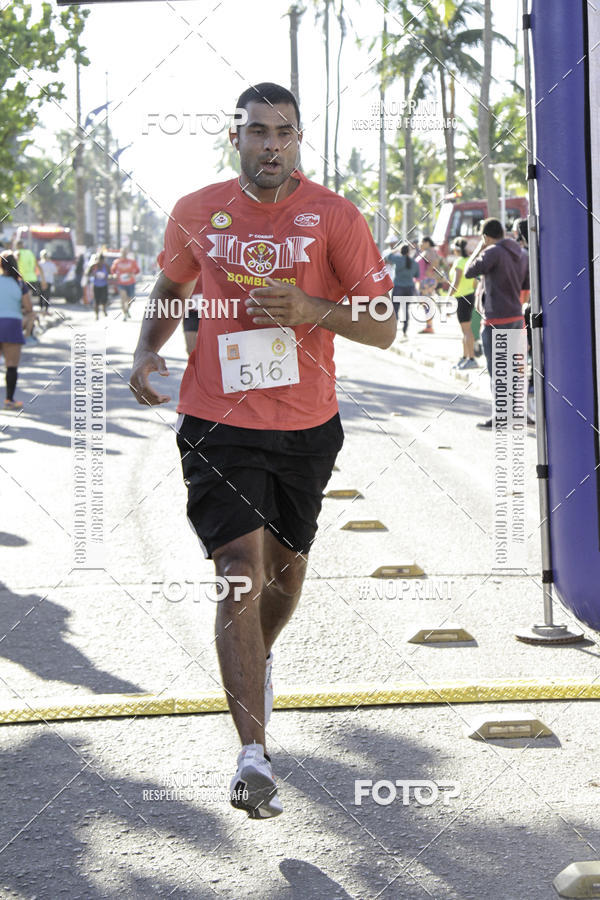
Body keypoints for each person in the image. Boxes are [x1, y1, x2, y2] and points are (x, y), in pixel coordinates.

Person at [129, 81, 395, 820]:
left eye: (284, 132)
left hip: (307, 424)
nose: (270, 143)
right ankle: (253, 751)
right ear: (235, 138)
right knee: (238, 571)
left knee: (283, 573)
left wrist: (315, 310)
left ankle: (257, 658)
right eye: (256, 131)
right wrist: (145, 351)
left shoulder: (335, 216)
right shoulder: (196, 210)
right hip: (217, 418)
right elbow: (172, 284)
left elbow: (383, 324)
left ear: (298, 141)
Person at [465, 218, 529, 429]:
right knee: (513, 369)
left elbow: (469, 271)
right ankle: (517, 413)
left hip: (495, 319)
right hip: (515, 318)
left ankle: (501, 417)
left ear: (486, 236)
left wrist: (479, 249)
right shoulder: (521, 253)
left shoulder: (492, 252)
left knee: (497, 371)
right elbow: (526, 285)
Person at [0, 252, 33, 410]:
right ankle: (9, 400)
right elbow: (29, 308)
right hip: (12, 325)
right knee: (11, 365)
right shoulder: (20, 284)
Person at [447, 237, 478, 369]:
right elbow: (475, 280)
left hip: (462, 297)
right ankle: (465, 357)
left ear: (456, 249)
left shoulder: (459, 261)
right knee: (465, 330)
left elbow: (456, 281)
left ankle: (471, 358)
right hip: (470, 295)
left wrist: (448, 297)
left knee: (466, 331)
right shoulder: (470, 260)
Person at [384, 237, 419, 337]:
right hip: (409, 288)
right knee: (406, 309)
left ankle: (393, 330)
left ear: (401, 251)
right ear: (409, 252)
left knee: (395, 309)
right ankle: (405, 330)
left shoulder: (398, 259)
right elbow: (417, 275)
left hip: (398, 287)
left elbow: (388, 256)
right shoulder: (414, 263)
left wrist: (397, 249)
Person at [416, 236, 443, 334]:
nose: (420, 244)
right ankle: (429, 325)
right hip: (426, 280)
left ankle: (429, 327)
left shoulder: (429, 251)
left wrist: (428, 271)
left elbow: (435, 262)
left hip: (427, 281)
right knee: (425, 303)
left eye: (421, 242)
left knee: (426, 303)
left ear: (427, 242)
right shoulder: (429, 251)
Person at [110, 247, 140, 320]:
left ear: (127, 253)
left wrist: (132, 273)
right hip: (121, 283)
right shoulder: (117, 262)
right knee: (123, 299)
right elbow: (112, 271)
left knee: (130, 300)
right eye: (122, 252)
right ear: (120, 253)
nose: (124, 253)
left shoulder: (132, 262)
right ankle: (125, 314)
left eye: (125, 252)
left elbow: (138, 270)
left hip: (131, 283)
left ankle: (127, 310)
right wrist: (114, 275)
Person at [87, 252, 110, 319]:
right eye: (99, 260)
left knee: (104, 299)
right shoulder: (93, 266)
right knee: (96, 301)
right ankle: (96, 315)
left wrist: (108, 277)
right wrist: (93, 275)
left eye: (102, 261)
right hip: (96, 285)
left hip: (104, 285)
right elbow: (87, 273)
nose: (100, 262)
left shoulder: (106, 266)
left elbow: (110, 274)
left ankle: (104, 309)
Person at [38, 249, 57, 315]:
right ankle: (46, 309)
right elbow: (55, 271)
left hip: (41, 281)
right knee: (47, 296)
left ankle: (41, 308)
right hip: (49, 281)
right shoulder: (51, 264)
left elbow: (37, 272)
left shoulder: (40, 264)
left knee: (41, 295)